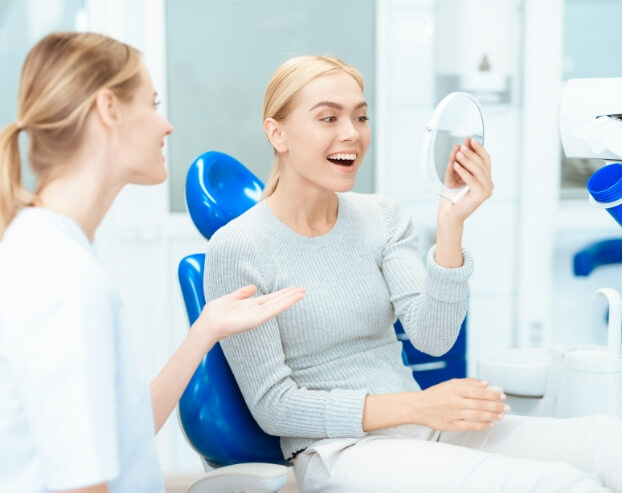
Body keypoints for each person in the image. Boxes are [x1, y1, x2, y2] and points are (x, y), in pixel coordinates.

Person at [203, 55, 622, 493]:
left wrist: (451, 225)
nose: (352, 132)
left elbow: (432, 337)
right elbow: (275, 407)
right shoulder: (239, 248)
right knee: (557, 484)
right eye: (328, 117)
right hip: (340, 452)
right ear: (277, 133)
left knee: (607, 442)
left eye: (360, 116)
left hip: (423, 427)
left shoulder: (382, 218)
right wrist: (419, 405)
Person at [0, 32, 304, 493]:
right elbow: (79, 486)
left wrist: (206, 329)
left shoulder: (43, 248)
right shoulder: (65, 280)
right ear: (108, 109)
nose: (167, 126)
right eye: (152, 104)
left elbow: (124, 433)